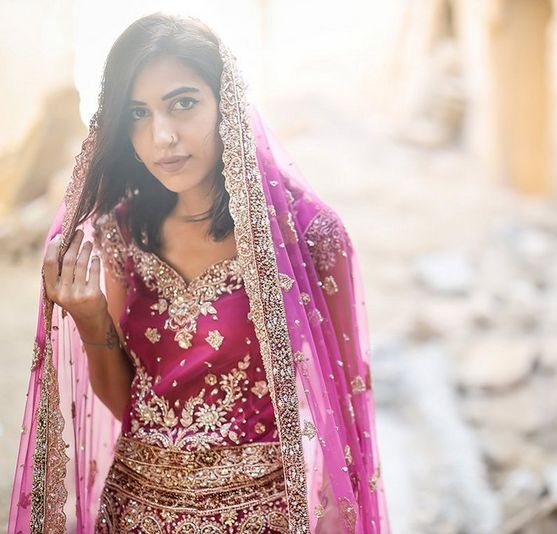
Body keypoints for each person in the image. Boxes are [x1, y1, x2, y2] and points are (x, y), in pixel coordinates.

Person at [7, 13, 389, 533]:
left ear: (224, 102)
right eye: (138, 113)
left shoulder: (307, 237)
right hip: (136, 513)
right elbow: (130, 405)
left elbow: (347, 419)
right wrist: (91, 319)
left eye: (183, 103)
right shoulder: (122, 232)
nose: (162, 136)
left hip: (262, 520)